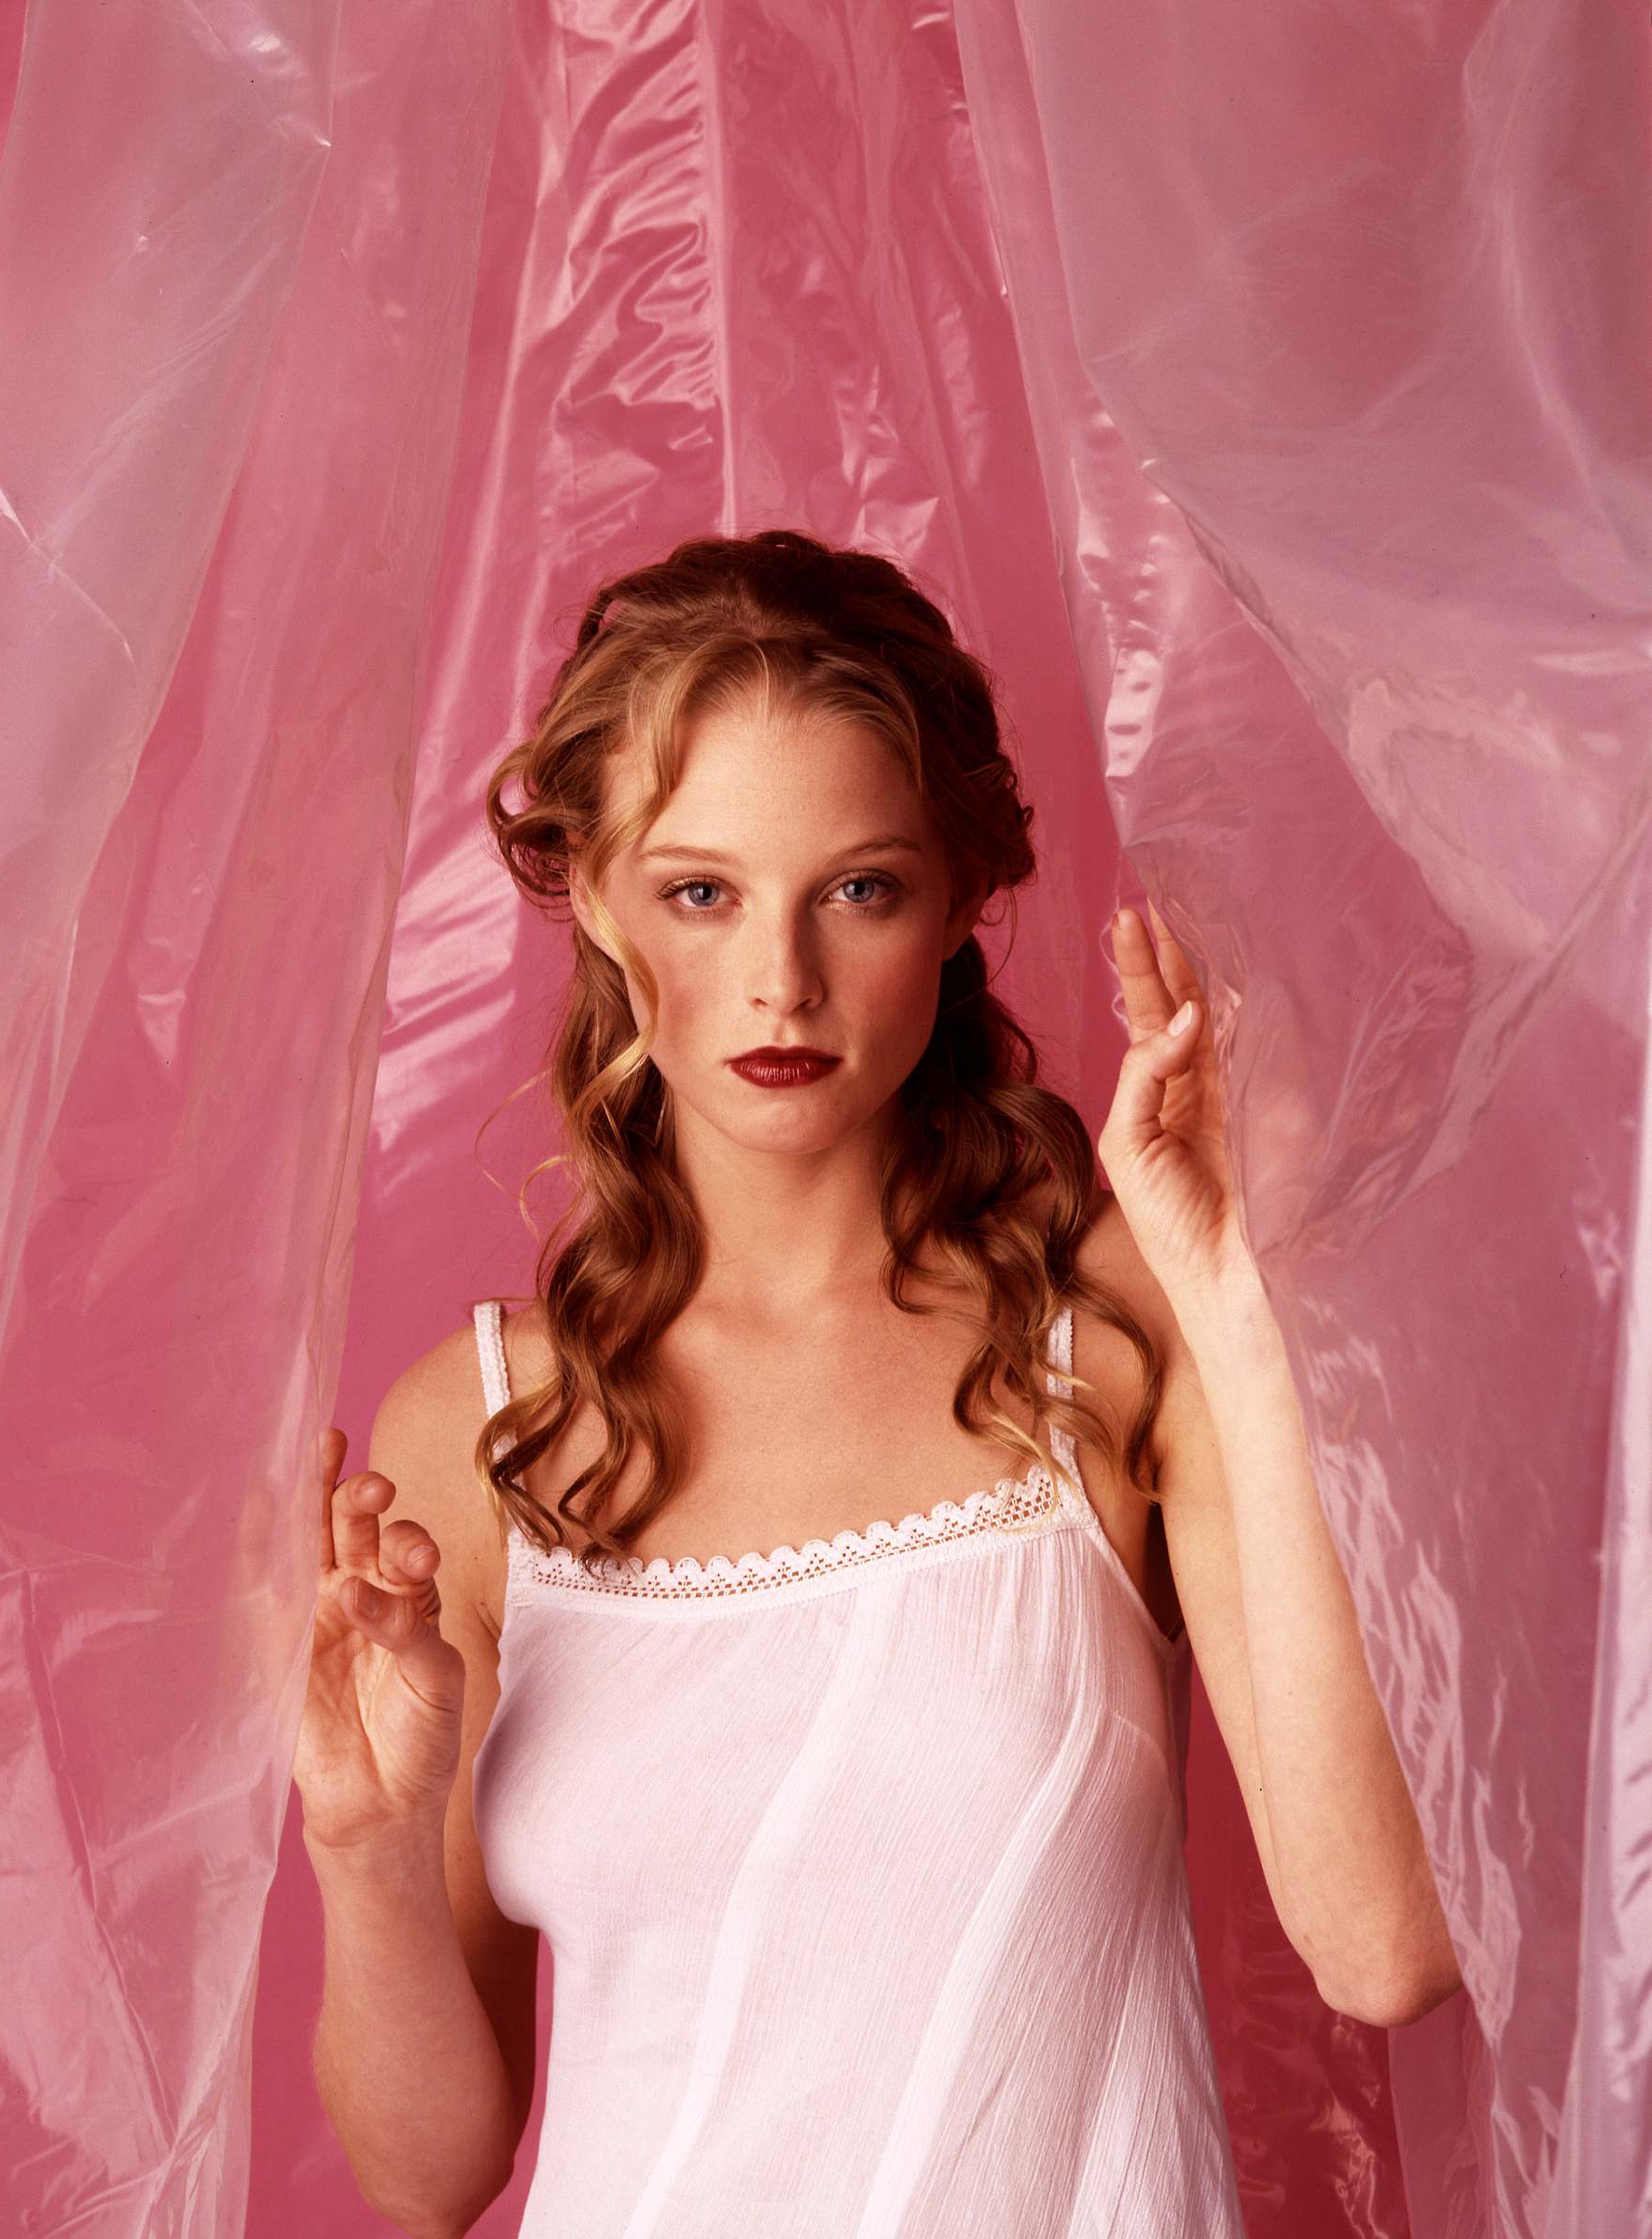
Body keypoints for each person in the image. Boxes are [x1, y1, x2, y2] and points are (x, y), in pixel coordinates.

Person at [290, 529, 1461, 2238]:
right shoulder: (481, 1431)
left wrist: (1230, 1291)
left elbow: (1381, 1947)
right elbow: (429, 2174)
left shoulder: (1114, 1331)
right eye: (701, 892)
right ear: (595, 893)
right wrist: (366, 1845)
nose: (780, 981)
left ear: (961, 898)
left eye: (858, 890)